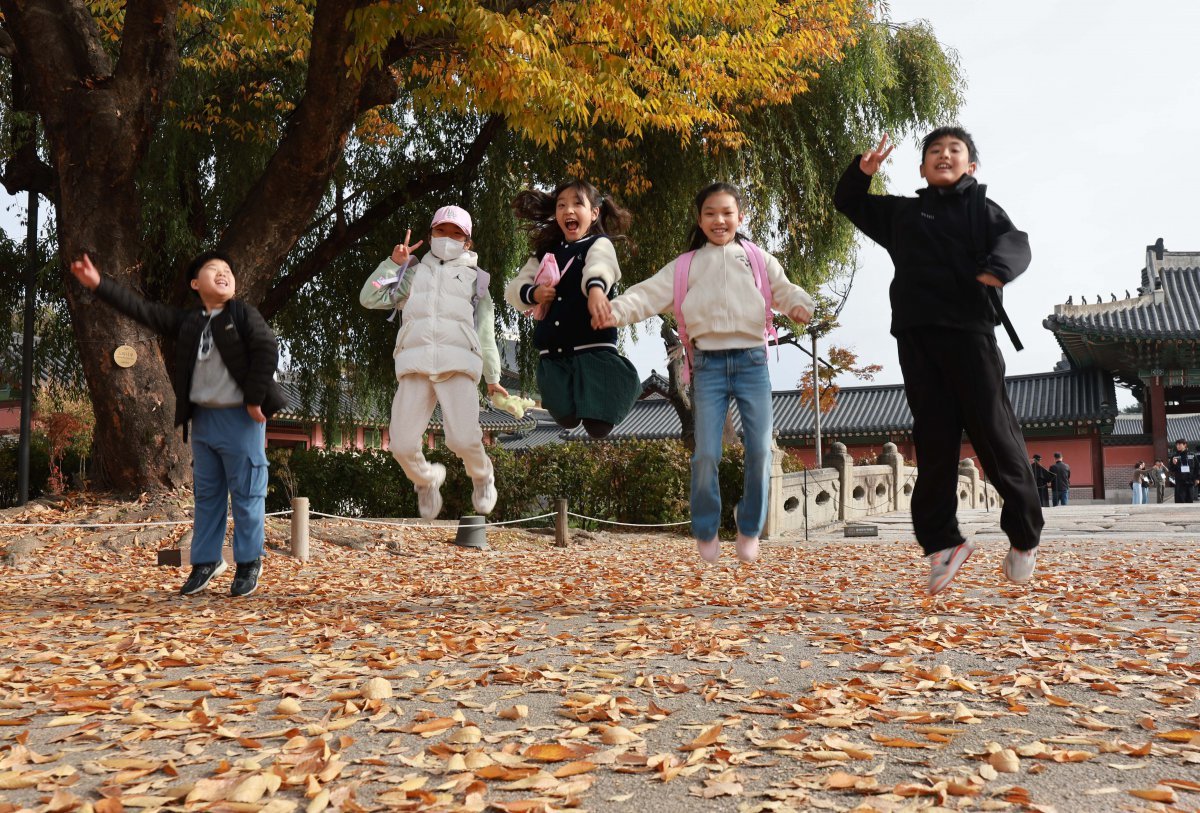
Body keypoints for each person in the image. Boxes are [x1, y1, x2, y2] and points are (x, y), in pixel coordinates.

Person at [833, 128, 1043, 595]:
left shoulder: (981, 209)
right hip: (916, 338)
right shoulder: (903, 214)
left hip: (969, 336)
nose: (943, 156)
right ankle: (943, 544)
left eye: (954, 151)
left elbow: (1017, 241)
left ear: (971, 166)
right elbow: (848, 202)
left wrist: (996, 270)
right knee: (933, 443)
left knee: (994, 436)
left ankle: (1025, 536)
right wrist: (861, 173)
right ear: (922, 168)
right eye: (934, 152)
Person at [596, 182, 814, 564]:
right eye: (710, 213)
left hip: (752, 363)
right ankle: (706, 527)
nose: (719, 220)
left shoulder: (758, 259)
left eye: (727, 212)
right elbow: (646, 295)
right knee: (706, 455)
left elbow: (786, 289)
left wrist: (800, 305)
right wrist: (613, 311)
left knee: (761, 450)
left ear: (740, 217)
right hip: (707, 365)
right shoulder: (687, 265)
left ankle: (748, 527)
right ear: (699, 219)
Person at [69, 251, 284, 597]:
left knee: (247, 493)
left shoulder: (243, 314)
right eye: (214, 269)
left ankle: (247, 563)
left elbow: (266, 348)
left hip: (241, 418)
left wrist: (255, 398)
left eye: (228, 270)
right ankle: (206, 561)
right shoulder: (189, 322)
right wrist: (98, 285)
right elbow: (143, 311)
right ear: (195, 283)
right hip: (202, 421)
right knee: (208, 495)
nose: (223, 274)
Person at [360, 206, 506, 519]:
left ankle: (482, 476)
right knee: (400, 444)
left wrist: (492, 377)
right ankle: (426, 479)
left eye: (457, 234)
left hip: (458, 365)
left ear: (467, 242)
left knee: (463, 439)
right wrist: (392, 265)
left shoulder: (476, 279)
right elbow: (370, 298)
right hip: (415, 364)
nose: (448, 238)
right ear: (430, 235)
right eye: (442, 231)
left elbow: (485, 329)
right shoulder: (410, 272)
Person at [505, 180, 641, 438]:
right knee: (565, 417)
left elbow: (600, 267)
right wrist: (533, 293)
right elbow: (513, 289)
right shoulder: (545, 253)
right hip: (553, 353)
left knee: (598, 427)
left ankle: (626, 383)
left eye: (577, 204)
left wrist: (596, 290)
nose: (568, 210)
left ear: (594, 213)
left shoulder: (598, 244)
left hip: (591, 347)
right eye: (561, 205)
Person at [1169, 439, 1195, 504]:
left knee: (1190, 500)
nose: (1178, 446)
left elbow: (1197, 467)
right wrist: (1174, 464)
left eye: (1179, 444)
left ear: (1185, 445)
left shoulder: (1192, 455)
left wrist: (1197, 478)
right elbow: (1171, 469)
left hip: (1190, 481)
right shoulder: (1174, 456)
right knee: (1180, 500)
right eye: (1177, 445)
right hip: (1180, 482)